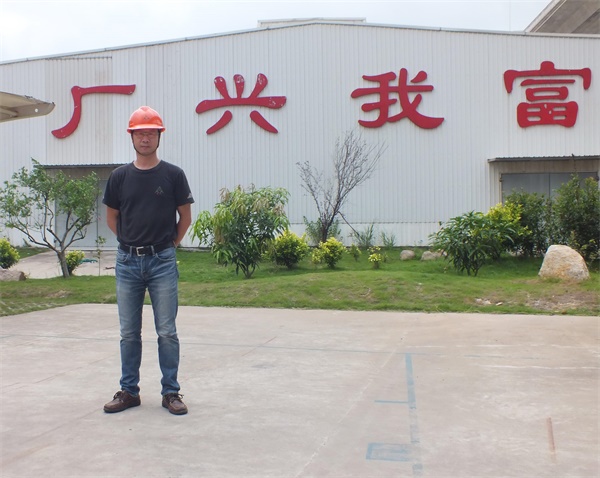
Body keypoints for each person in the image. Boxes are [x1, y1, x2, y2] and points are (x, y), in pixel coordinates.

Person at [102, 106, 194, 415]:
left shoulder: (173, 175)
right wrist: (130, 242)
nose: (145, 138)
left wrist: (169, 245)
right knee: (129, 333)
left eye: (151, 133)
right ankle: (129, 391)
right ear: (131, 137)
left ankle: (171, 393)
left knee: (166, 331)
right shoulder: (119, 177)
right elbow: (112, 217)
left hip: (162, 262)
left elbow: (185, 217)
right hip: (128, 263)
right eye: (140, 133)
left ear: (159, 137)